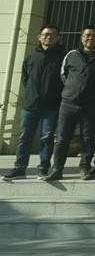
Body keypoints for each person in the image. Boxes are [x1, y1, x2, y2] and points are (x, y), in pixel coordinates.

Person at [43, 25, 95, 182]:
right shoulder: (72, 54)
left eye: (94, 35)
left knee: (88, 138)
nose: (90, 38)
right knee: (61, 138)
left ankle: (84, 168)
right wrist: (72, 90)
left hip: (92, 104)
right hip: (68, 103)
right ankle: (57, 169)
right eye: (87, 35)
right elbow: (63, 75)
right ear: (81, 38)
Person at [3, 25, 66, 181]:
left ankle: (43, 168)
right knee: (24, 137)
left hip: (52, 104)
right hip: (30, 104)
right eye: (45, 34)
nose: (48, 37)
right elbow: (25, 77)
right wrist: (32, 92)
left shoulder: (63, 56)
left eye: (52, 35)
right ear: (39, 37)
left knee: (47, 138)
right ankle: (19, 168)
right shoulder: (31, 55)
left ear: (58, 38)